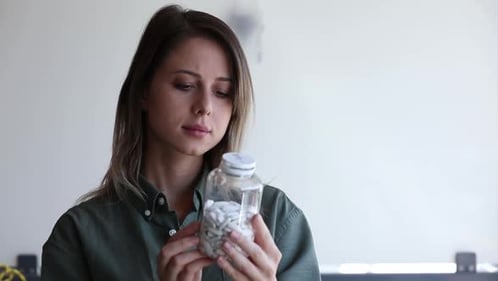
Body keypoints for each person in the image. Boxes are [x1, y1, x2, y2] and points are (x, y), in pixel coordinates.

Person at [41, 4, 321, 281]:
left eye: (223, 92)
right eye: (185, 85)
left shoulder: (277, 219)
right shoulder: (79, 236)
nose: (205, 107)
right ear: (143, 91)